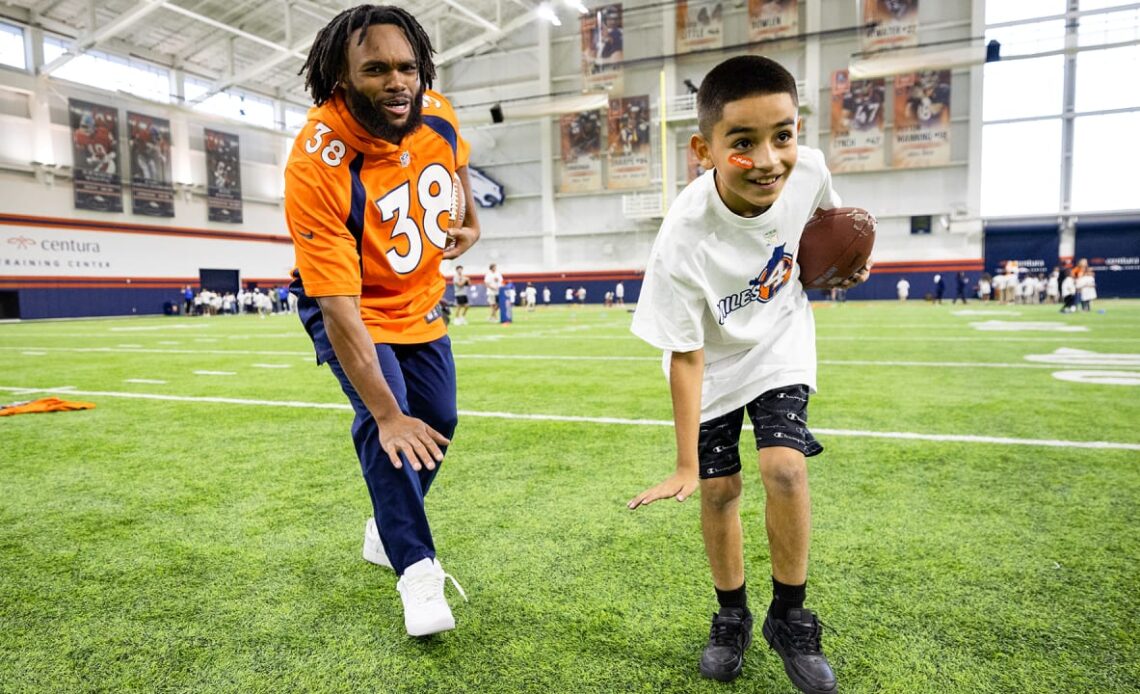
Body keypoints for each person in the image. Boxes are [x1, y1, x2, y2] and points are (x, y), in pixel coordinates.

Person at [626, 55, 870, 691]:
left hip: (780, 338)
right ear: (703, 149)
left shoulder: (810, 170)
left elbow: (827, 234)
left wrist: (845, 266)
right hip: (710, 359)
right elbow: (685, 355)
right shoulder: (683, 237)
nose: (768, 159)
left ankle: (790, 617)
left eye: (782, 135)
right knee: (718, 490)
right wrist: (684, 463)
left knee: (784, 466)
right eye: (743, 143)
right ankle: (730, 615)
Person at [285, 4, 480, 638]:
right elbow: (340, 312)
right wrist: (388, 414)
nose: (398, 82)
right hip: (352, 305)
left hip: (418, 294)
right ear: (342, 79)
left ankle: (384, 525)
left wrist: (470, 219)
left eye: (407, 67)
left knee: (440, 420)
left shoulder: (437, 110)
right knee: (389, 418)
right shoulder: (317, 161)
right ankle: (416, 571)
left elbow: (454, 164)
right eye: (376, 70)